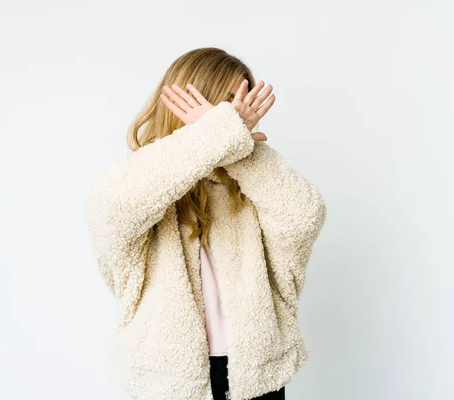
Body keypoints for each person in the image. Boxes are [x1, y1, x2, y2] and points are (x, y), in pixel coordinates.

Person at [85, 47, 327, 400]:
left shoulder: (254, 181)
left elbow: (304, 217)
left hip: (254, 374)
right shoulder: (143, 178)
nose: (234, 116)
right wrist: (215, 136)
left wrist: (243, 152)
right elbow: (114, 208)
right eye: (224, 104)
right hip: (169, 379)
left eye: (240, 105)